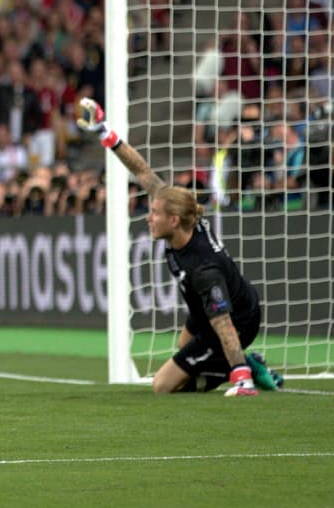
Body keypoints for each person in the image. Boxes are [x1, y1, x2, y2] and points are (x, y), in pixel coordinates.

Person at [76, 96, 280, 396]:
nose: (148, 218)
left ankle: (245, 369)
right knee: (184, 347)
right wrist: (107, 134)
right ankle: (246, 363)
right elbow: (143, 171)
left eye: (154, 213)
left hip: (239, 319)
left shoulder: (203, 269)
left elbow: (223, 324)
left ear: (172, 220)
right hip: (204, 312)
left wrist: (241, 379)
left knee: (163, 386)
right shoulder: (181, 218)